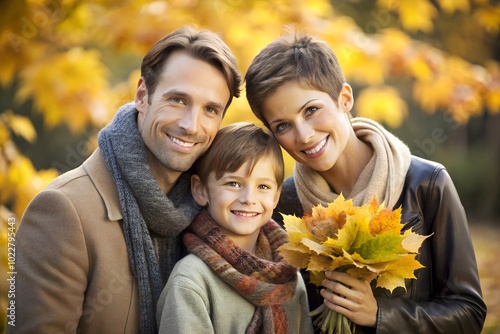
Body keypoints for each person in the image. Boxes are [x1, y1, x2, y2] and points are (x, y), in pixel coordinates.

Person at [244, 28, 487, 333]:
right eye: (282, 125)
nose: (304, 135)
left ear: (344, 98)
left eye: (311, 110)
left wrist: (380, 315)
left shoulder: (426, 184)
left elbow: (469, 312)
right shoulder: (283, 205)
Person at [11, 26, 241, 334]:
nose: (191, 125)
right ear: (143, 95)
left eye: (210, 109)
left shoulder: (214, 207)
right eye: (177, 100)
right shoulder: (63, 210)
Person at [156, 122, 314, 334]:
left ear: (276, 197)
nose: (249, 199)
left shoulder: (288, 276)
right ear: (200, 190)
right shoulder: (191, 280)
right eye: (233, 184)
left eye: (263, 187)